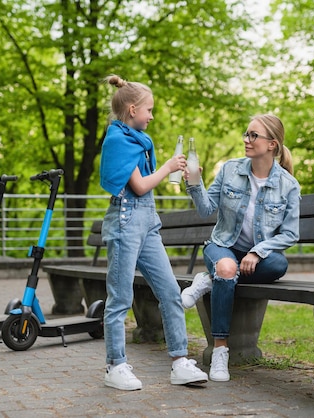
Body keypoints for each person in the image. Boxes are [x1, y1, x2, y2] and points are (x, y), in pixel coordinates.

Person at [99, 74, 209, 391]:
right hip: (125, 221)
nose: (152, 115)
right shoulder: (118, 141)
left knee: (170, 292)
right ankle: (115, 365)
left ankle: (179, 362)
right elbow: (139, 185)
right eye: (149, 110)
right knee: (120, 298)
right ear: (132, 109)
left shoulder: (136, 139)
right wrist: (169, 168)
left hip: (148, 222)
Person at [181, 113, 301, 382]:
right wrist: (194, 184)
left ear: (272, 144)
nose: (247, 140)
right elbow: (206, 210)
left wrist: (258, 251)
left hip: (256, 256)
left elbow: (291, 234)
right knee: (226, 267)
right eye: (246, 134)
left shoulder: (288, 185)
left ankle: (209, 280)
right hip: (222, 246)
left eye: (253, 135)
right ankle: (221, 350)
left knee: (279, 264)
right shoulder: (229, 170)